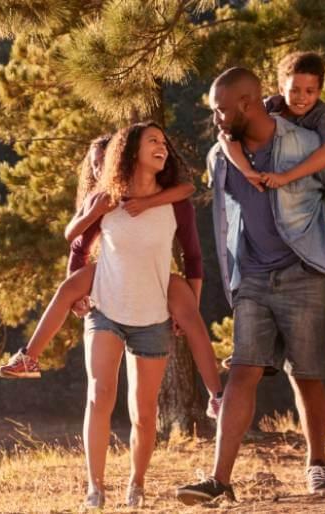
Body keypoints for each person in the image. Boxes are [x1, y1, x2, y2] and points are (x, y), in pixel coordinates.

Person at [176, 68, 325, 505]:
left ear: (247, 103)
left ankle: (318, 464)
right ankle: (219, 480)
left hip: (306, 277)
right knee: (242, 371)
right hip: (252, 279)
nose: (218, 118)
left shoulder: (307, 146)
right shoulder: (219, 156)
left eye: (222, 109)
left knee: (306, 376)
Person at [0, 135, 223, 419]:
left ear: (120, 160)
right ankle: (29, 357)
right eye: (93, 165)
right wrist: (94, 215)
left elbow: (186, 191)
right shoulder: (102, 199)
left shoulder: (159, 194)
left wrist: (149, 202)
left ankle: (217, 395)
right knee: (68, 289)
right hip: (113, 273)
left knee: (191, 316)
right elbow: (76, 245)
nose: (97, 171)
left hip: (154, 273)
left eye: (103, 163)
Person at [73, 121, 207, 508]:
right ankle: (95, 489)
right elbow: (78, 247)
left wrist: (188, 310)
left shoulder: (173, 200)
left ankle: (137, 484)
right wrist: (77, 292)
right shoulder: (106, 200)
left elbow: (194, 259)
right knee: (99, 393)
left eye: (162, 142)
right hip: (106, 309)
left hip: (152, 315)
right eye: (152, 141)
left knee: (144, 412)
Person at [218, 51, 325, 338]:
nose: (302, 97)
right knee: (252, 251)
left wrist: (286, 176)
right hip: (279, 196)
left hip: (318, 188)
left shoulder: (320, 114)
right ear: (280, 89)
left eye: (310, 91)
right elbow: (227, 136)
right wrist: (246, 171)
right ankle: (249, 343)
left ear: (320, 92)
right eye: (295, 90)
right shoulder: (269, 109)